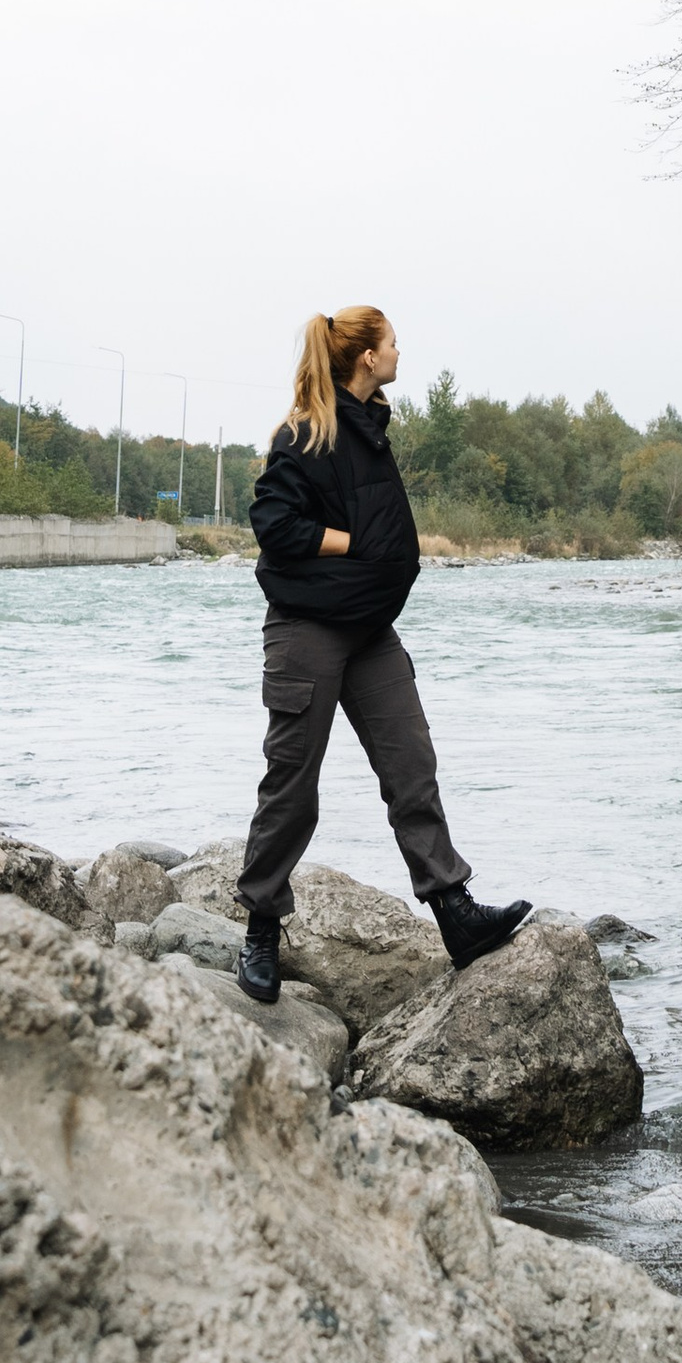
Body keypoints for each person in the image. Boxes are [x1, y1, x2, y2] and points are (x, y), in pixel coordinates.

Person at [235, 303, 530, 1005]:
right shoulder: (305, 432)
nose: (400, 352)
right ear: (367, 355)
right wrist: (352, 544)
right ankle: (261, 932)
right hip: (307, 629)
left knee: (411, 764)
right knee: (292, 784)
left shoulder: (370, 428)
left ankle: (454, 912)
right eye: (393, 343)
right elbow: (273, 523)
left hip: (370, 631)